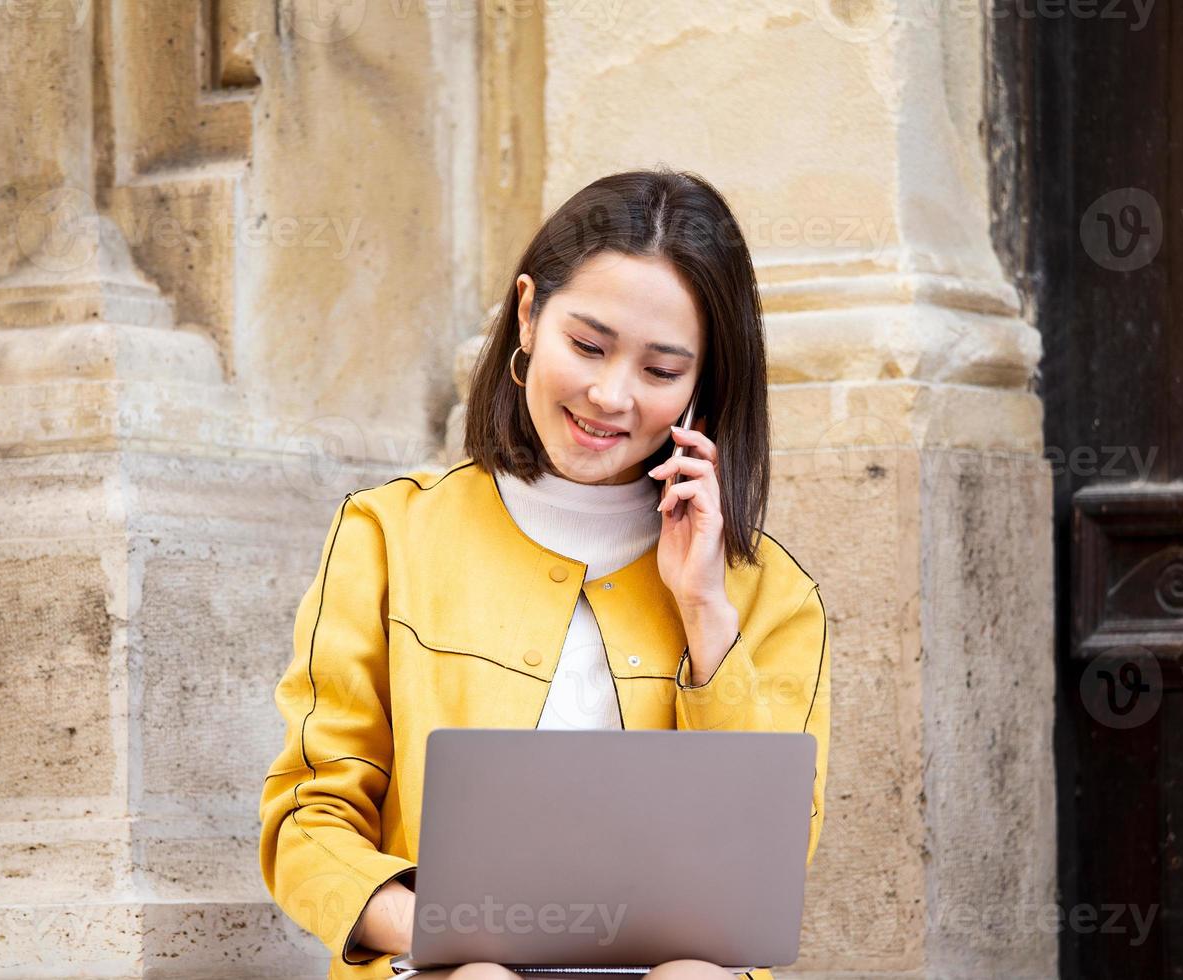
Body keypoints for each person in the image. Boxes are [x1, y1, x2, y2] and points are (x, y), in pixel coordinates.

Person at [259, 168, 831, 980]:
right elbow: (306, 825)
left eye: (661, 372)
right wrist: (452, 935)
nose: (610, 395)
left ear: (705, 386)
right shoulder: (387, 536)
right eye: (588, 346)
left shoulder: (770, 592)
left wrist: (704, 608)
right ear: (528, 314)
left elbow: (765, 864)